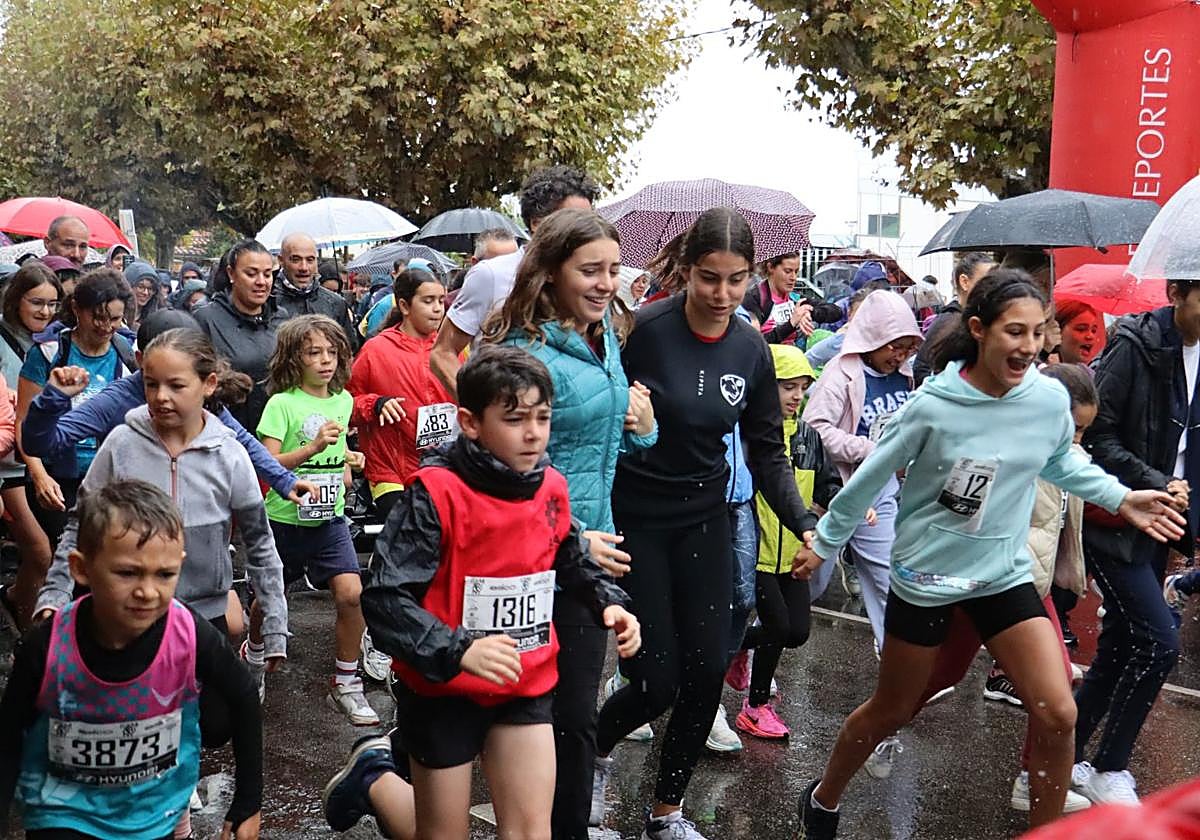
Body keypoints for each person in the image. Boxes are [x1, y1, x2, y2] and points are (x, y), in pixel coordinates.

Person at [793, 269, 1185, 839]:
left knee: (1058, 711)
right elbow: (869, 475)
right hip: (926, 578)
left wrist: (1122, 497)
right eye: (1014, 332)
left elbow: (1062, 463)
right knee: (894, 709)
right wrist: (824, 541)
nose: (1028, 347)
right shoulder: (933, 405)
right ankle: (824, 798)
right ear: (979, 330)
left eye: (1037, 332)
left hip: (1001, 573)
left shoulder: (1048, 399)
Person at [323, 346, 641, 840]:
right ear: (470, 423)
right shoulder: (434, 493)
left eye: (542, 417)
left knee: (531, 833)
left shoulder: (551, 486)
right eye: (514, 419)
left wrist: (611, 603)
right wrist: (462, 649)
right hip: (443, 689)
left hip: (524, 681)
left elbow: (568, 556)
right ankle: (376, 779)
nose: (534, 433)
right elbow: (384, 599)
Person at [594, 208, 818, 840]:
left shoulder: (751, 347)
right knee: (654, 680)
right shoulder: (646, 329)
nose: (723, 295)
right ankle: (594, 755)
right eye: (709, 279)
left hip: (705, 519)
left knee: (705, 672)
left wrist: (801, 521)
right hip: (637, 521)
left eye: (737, 280)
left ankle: (666, 811)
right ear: (687, 271)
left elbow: (768, 451)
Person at [487, 208, 658, 838]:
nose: (606, 282)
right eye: (590, 270)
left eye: (613, 269)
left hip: (589, 552)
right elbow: (501, 468)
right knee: (507, 703)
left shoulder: (604, 335)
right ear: (550, 272)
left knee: (575, 715)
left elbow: (608, 437)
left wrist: (646, 428)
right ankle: (391, 768)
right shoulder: (522, 353)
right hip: (529, 552)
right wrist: (570, 534)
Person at [0, 479, 264, 840]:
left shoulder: (188, 633)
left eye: (165, 574)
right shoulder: (48, 646)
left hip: (154, 814)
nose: (147, 591)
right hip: (64, 814)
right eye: (127, 572)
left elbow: (244, 693)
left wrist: (248, 801)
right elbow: (9, 734)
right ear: (81, 568)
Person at [33, 329, 290, 696]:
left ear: (209, 384)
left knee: (215, 723)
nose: (161, 397)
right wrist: (54, 596)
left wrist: (275, 624)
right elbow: (79, 525)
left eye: (176, 385)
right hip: (127, 613)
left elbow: (260, 543)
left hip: (204, 614)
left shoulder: (229, 454)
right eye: (151, 385)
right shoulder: (121, 444)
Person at [1072, 276, 1200, 806]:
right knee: (1158, 641)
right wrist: (1153, 481)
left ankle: (1055, 762)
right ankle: (1109, 767)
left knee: (1122, 645)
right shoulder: (1136, 344)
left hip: (1167, 523)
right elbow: (1096, 438)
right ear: (1177, 293)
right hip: (1118, 517)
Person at [801, 289, 922, 768]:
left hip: (880, 497)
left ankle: (898, 673)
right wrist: (866, 450)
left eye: (909, 346)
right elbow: (814, 429)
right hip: (835, 495)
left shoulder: (906, 376)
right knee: (809, 583)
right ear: (872, 336)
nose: (901, 354)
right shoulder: (840, 374)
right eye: (895, 344)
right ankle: (752, 650)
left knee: (892, 584)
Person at [257, 314, 379, 726]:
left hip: (330, 519)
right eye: (314, 353)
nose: (325, 361)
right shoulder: (282, 404)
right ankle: (256, 654)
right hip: (284, 519)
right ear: (295, 358)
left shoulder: (342, 400)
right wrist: (310, 449)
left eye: (332, 352)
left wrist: (349, 462)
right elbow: (269, 463)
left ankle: (346, 681)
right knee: (269, 600)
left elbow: (338, 459)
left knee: (351, 594)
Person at [735, 344, 850, 741]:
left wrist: (846, 503)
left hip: (794, 556)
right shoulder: (747, 435)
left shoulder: (807, 437)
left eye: (802, 387)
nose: (796, 396)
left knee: (796, 632)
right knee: (778, 627)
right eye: (787, 387)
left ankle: (734, 646)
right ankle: (755, 706)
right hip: (758, 556)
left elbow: (827, 482)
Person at [431, 165, 599, 397]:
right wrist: (485, 415)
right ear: (537, 223)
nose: (585, 230)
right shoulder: (491, 274)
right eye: (572, 220)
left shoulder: (595, 283)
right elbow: (442, 354)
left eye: (588, 219)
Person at [17, 267, 135, 552]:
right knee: (64, 555)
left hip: (105, 475)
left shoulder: (125, 354)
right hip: (55, 473)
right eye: (97, 317)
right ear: (76, 309)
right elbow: (23, 421)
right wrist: (39, 476)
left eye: (115, 319)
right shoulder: (48, 353)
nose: (106, 326)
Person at [348, 268, 452, 519]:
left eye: (441, 300)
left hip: (442, 466)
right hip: (390, 470)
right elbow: (345, 405)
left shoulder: (452, 349)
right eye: (428, 301)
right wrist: (375, 404)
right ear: (404, 306)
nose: (438, 309)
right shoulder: (376, 350)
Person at [0, 262, 61, 631]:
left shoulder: (54, 343)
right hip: (7, 465)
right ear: (15, 300)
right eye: (37, 302)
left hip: (38, 459)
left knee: (44, 555)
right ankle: (26, 635)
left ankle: (16, 604)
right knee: (40, 552)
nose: (45, 311)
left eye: (53, 304)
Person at [193, 240, 289, 434]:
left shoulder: (282, 319)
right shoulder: (205, 319)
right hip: (227, 431)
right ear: (231, 274)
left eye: (267, 274)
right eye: (251, 274)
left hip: (277, 435)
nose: (261, 282)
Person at [912, 252, 995, 386]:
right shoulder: (950, 320)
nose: (993, 288)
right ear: (964, 282)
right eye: (987, 281)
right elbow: (921, 370)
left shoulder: (978, 319)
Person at [273, 233, 359, 349]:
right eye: (296, 259)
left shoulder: (335, 303)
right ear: (281, 260)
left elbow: (348, 349)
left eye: (310, 260)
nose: (304, 267)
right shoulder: (266, 301)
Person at [741, 252, 842, 345]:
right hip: (767, 357)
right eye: (788, 271)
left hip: (793, 357)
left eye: (796, 271)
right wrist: (791, 324)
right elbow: (753, 343)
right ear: (771, 267)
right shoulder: (754, 299)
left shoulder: (794, 298)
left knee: (821, 336)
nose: (793, 277)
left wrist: (808, 312)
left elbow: (836, 311)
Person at [1055, 300, 1105, 366]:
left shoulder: (1094, 374)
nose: (1090, 336)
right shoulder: (1041, 372)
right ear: (1058, 331)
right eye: (1081, 329)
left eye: (1093, 331)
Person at [124, 260, 162, 330]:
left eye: (150, 288)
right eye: (141, 287)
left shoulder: (156, 317)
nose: (146, 293)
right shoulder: (117, 314)